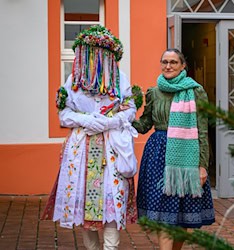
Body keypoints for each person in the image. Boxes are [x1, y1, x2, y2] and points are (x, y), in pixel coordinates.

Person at [42, 25, 138, 250]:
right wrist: (86, 120)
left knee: (112, 199)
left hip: (111, 146)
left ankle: (110, 248)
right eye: (91, 52)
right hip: (81, 148)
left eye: (101, 52)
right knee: (84, 199)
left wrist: (108, 122)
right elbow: (63, 114)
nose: (96, 57)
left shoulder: (119, 78)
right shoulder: (73, 81)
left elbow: (130, 110)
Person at [132, 48, 215, 250]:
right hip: (157, 157)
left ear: (183, 65)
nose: (168, 66)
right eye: (164, 62)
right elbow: (144, 125)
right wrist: (125, 115)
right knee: (164, 216)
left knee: (182, 217)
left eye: (173, 62)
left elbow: (202, 131)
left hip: (187, 157)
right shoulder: (153, 92)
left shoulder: (196, 91)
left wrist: (202, 166)